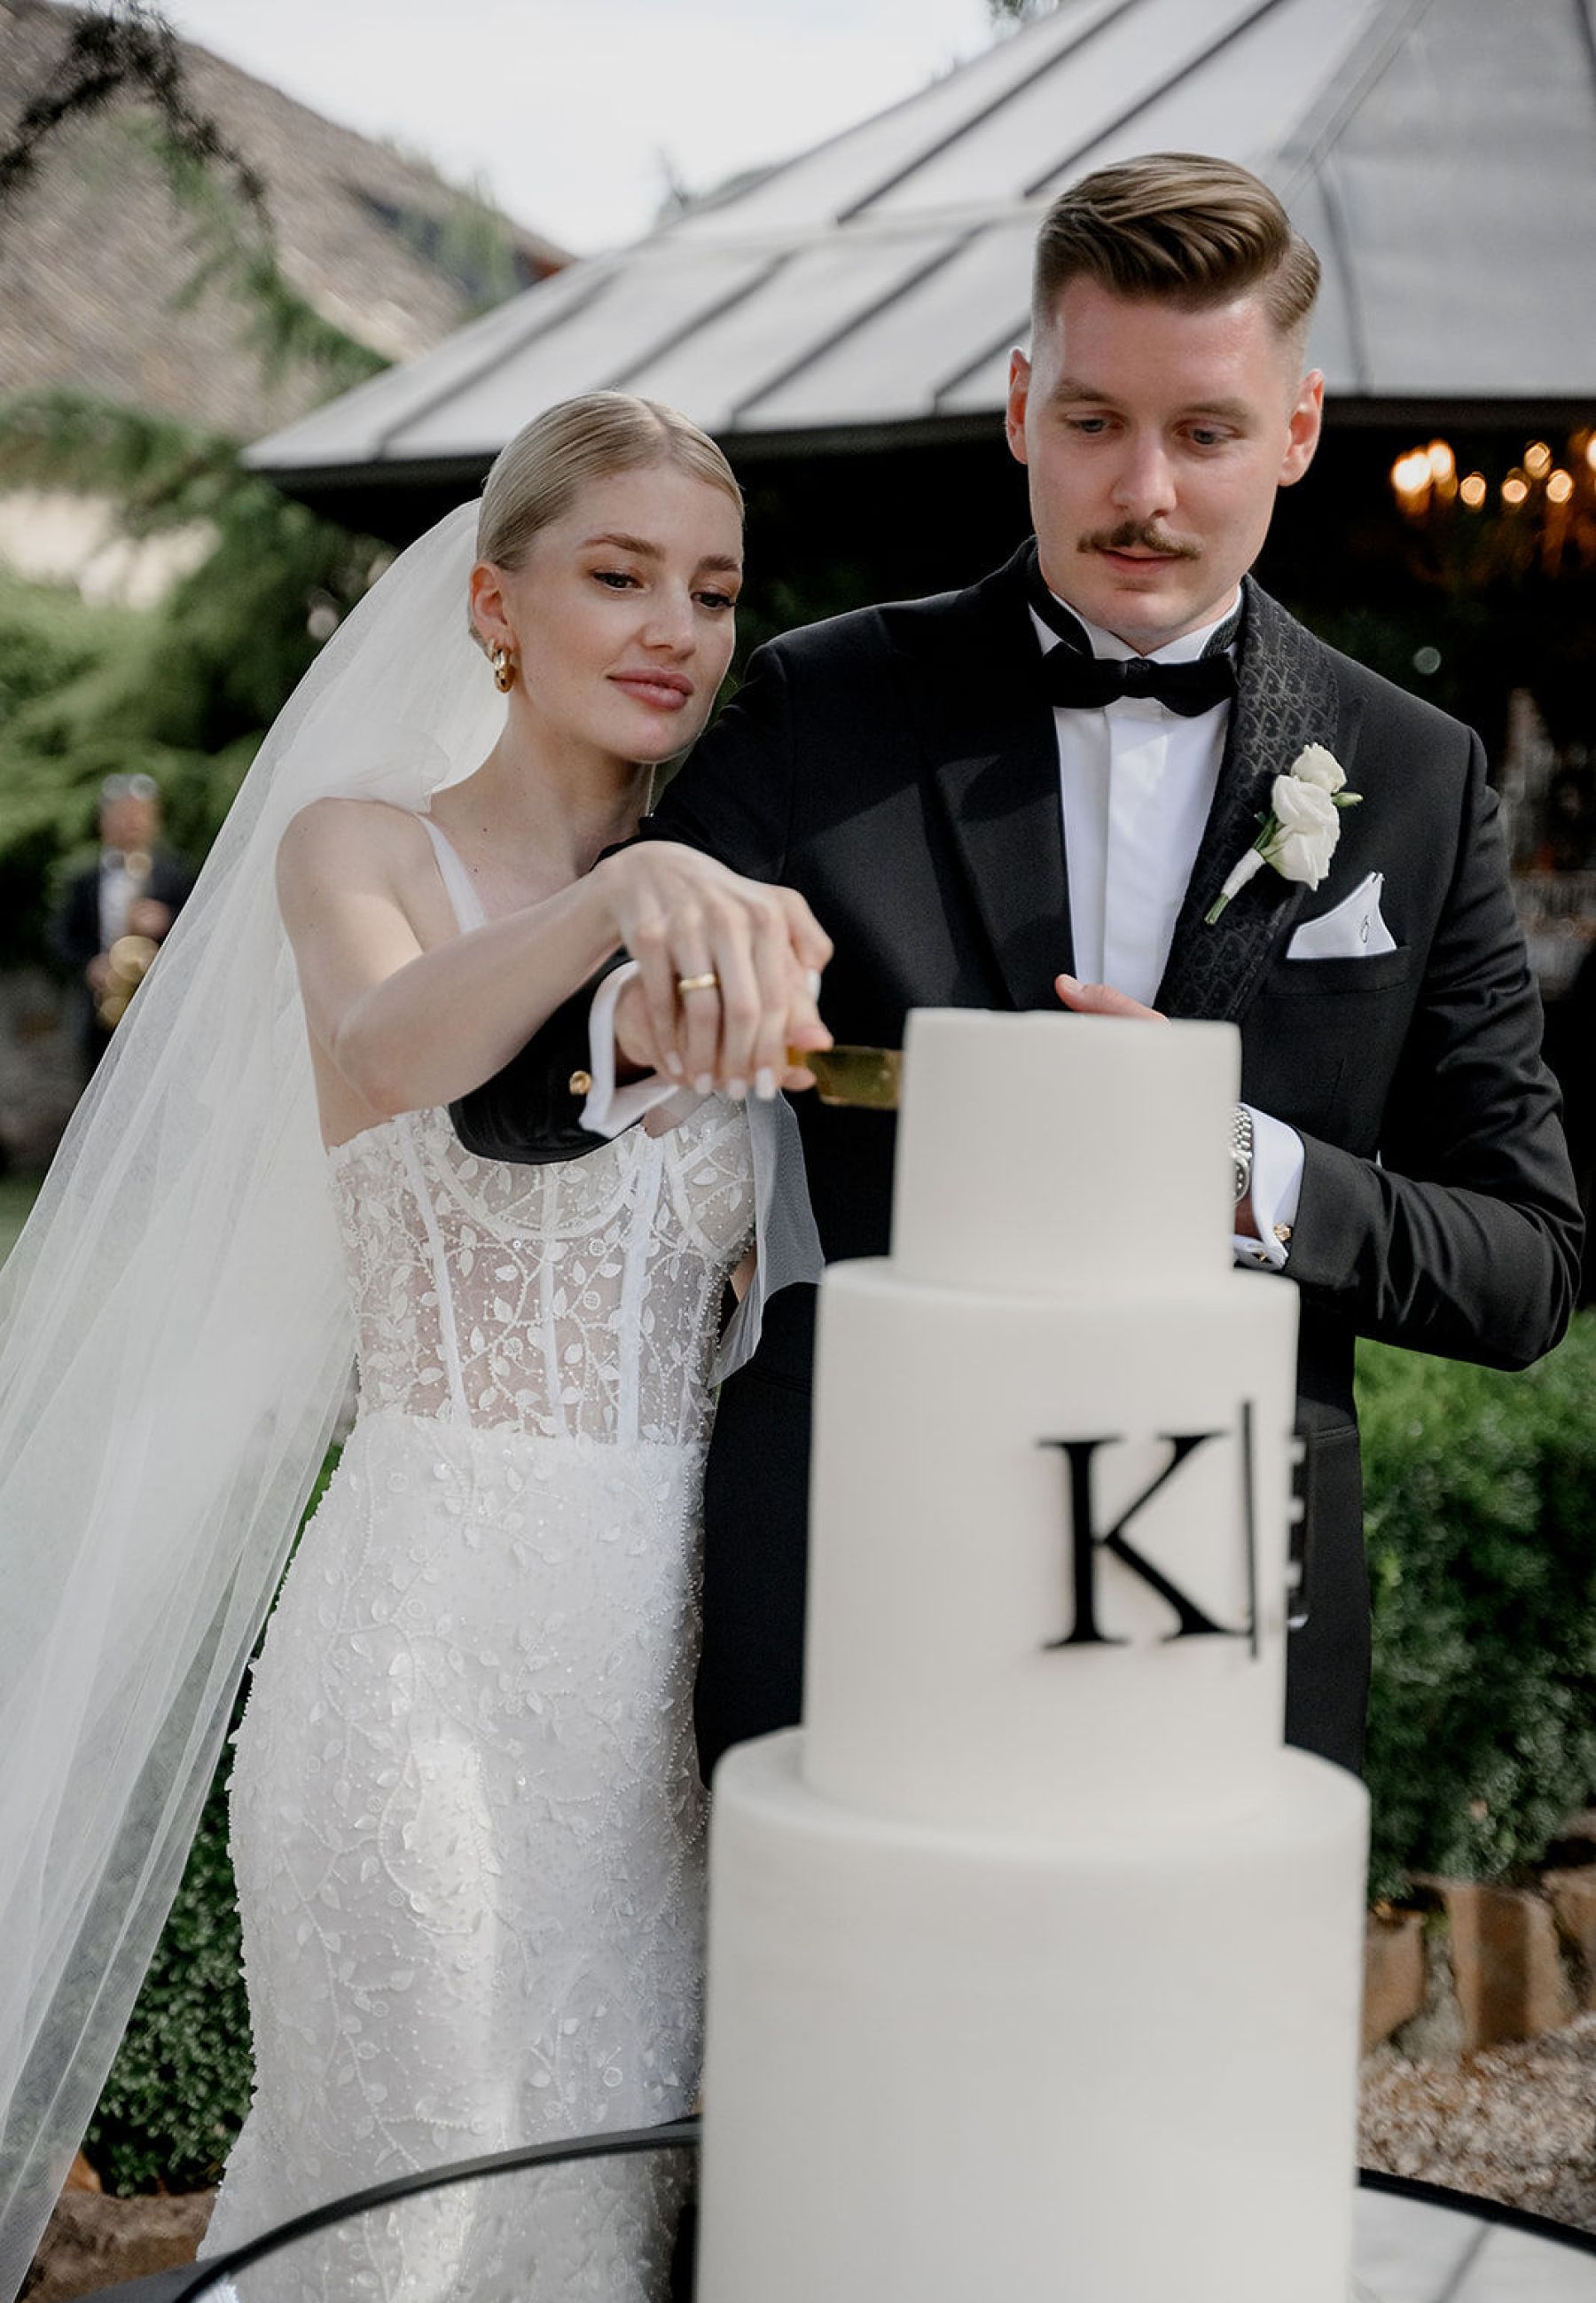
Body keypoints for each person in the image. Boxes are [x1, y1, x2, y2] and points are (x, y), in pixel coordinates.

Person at [452, 154, 1582, 1784]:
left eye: (1206, 433)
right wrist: (651, 1005)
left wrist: (1234, 1164)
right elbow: (508, 1093)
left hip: (1229, 1606)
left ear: (1298, 428)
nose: (1144, 491)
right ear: (1017, 405)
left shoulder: (1415, 772)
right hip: (856, 1574)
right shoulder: (822, 705)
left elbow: (1528, 1265)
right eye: (1093, 420)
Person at [0, 391, 829, 2303]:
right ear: (494, 602)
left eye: (713, 590)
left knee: (599, 2217)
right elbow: (387, 1050)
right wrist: (612, 900)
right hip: (419, 1651)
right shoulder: (359, 848)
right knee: (413, 2199)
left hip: (660, 1680)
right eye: (619, 573)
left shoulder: (743, 896)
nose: (676, 628)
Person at [47, 772, 194, 1080]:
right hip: (101, 1013)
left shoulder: (177, 874)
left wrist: (167, 919)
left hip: (162, 1009)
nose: (132, 823)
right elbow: (61, 937)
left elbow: (200, 929)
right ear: (104, 822)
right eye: (123, 815)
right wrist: (89, 965)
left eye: (140, 815)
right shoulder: (84, 880)